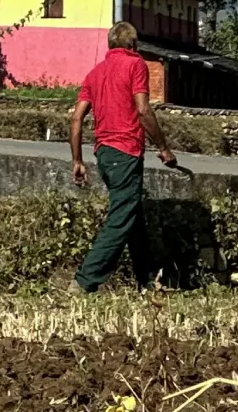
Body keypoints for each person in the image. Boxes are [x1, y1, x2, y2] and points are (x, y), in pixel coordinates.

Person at [67, 20, 180, 292]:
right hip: (125, 152)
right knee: (121, 218)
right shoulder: (135, 64)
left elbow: (76, 119)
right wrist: (163, 147)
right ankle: (85, 281)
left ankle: (148, 279)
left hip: (104, 154)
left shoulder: (95, 73)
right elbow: (143, 110)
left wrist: (77, 160)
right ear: (133, 44)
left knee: (133, 216)